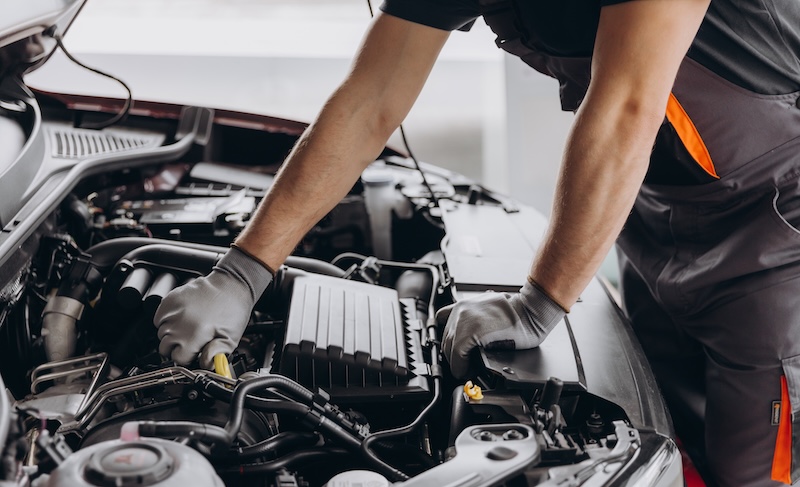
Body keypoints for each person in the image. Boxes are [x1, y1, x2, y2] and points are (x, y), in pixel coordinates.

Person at [153, 1, 800, 485]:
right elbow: (371, 97)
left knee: (753, 472)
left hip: (772, 231)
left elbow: (629, 102)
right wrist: (242, 270)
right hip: (653, 212)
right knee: (671, 441)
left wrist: (538, 304)